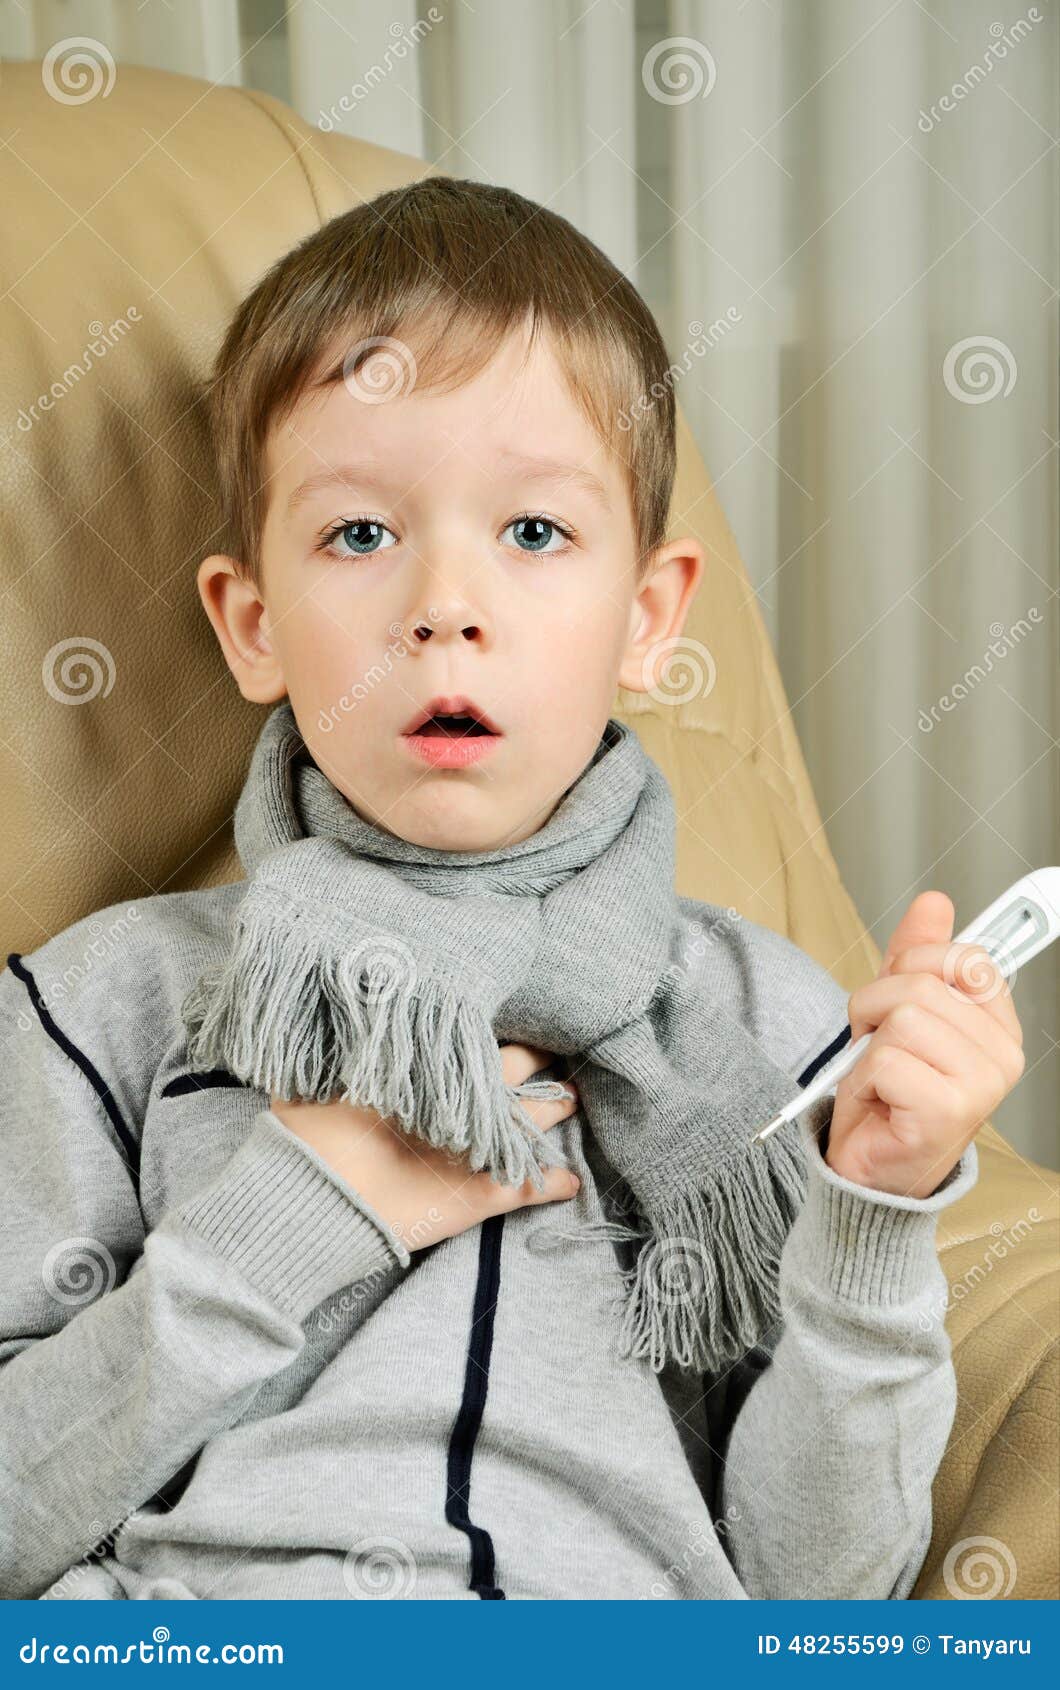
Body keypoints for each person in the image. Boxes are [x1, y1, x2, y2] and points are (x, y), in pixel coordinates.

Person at [0, 178, 1023, 1602]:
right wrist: (291, 1213)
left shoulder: (765, 1022)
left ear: (649, 618)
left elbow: (827, 1599)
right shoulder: (99, 1004)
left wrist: (875, 1210)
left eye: (534, 533)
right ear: (252, 625)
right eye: (360, 534)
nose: (444, 605)